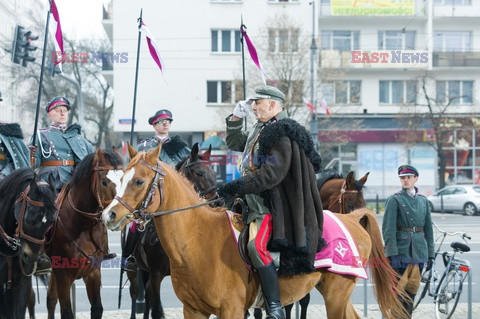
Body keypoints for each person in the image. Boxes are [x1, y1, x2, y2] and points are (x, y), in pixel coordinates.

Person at [217, 85, 325, 319]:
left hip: (268, 205)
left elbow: (270, 175)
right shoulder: (261, 127)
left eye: (258, 103)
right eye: (253, 103)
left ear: (273, 105)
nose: (253, 107)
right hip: (248, 201)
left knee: (256, 248)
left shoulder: (281, 134)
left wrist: (235, 185)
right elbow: (237, 144)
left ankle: (274, 306)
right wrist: (236, 117)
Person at [31, 96, 115, 274]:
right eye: (58, 110)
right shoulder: (41, 135)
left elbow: (91, 162)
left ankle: (102, 249)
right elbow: (33, 164)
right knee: (44, 214)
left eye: (65, 110)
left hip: (75, 182)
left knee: (98, 210)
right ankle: (41, 253)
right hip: (51, 184)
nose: (62, 113)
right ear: (50, 114)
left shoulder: (78, 137)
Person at [124, 109, 191, 272]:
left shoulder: (181, 146)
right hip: (151, 196)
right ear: (154, 125)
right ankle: (130, 256)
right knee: (136, 223)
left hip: (175, 196)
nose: (166, 123)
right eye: (162, 121)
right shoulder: (144, 146)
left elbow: (190, 168)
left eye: (169, 121)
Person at [382, 165, 435, 317]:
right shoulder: (395, 199)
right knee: (398, 294)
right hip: (401, 251)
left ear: (415, 178)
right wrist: (392, 253)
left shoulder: (423, 201)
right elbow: (388, 228)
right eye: (402, 178)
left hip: (419, 251)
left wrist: (431, 254)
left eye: (408, 177)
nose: (405, 180)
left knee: (411, 293)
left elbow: (428, 230)